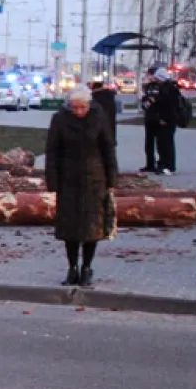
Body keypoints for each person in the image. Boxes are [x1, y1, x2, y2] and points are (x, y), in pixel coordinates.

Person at [45, 85, 118, 287]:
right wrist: (52, 181)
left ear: (88, 105)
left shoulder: (99, 117)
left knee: (91, 228)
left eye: (82, 107)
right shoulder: (59, 119)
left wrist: (112, 180)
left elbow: (108, 149)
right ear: (69, 106)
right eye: (74, 108)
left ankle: (87, 267)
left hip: (95, 179)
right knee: (70, 227)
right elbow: (52, 151)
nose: (78, 112)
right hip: (68, 179)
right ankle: (72, 268)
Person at [153, 69, 182, 175]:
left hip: (168, 120)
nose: (156, 81)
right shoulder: (168, 87)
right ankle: (163, 163)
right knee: (162, 142)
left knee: (166, 143)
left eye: (157, 78)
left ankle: (168, 165)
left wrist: (164, 118)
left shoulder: (168, 88)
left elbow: (169, 106)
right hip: (167, 119)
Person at [140, 67, 162, 173]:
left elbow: (160, 100)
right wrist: (145, 103)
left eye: (150, 75)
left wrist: (153, 101)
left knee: (160, 143)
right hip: (149, 117)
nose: (148, 77)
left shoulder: (160, 86)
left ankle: (161, 163)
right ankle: (150, 164)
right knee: (148, 143)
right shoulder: (148, 87)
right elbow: (145, 100)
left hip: (158, 117)